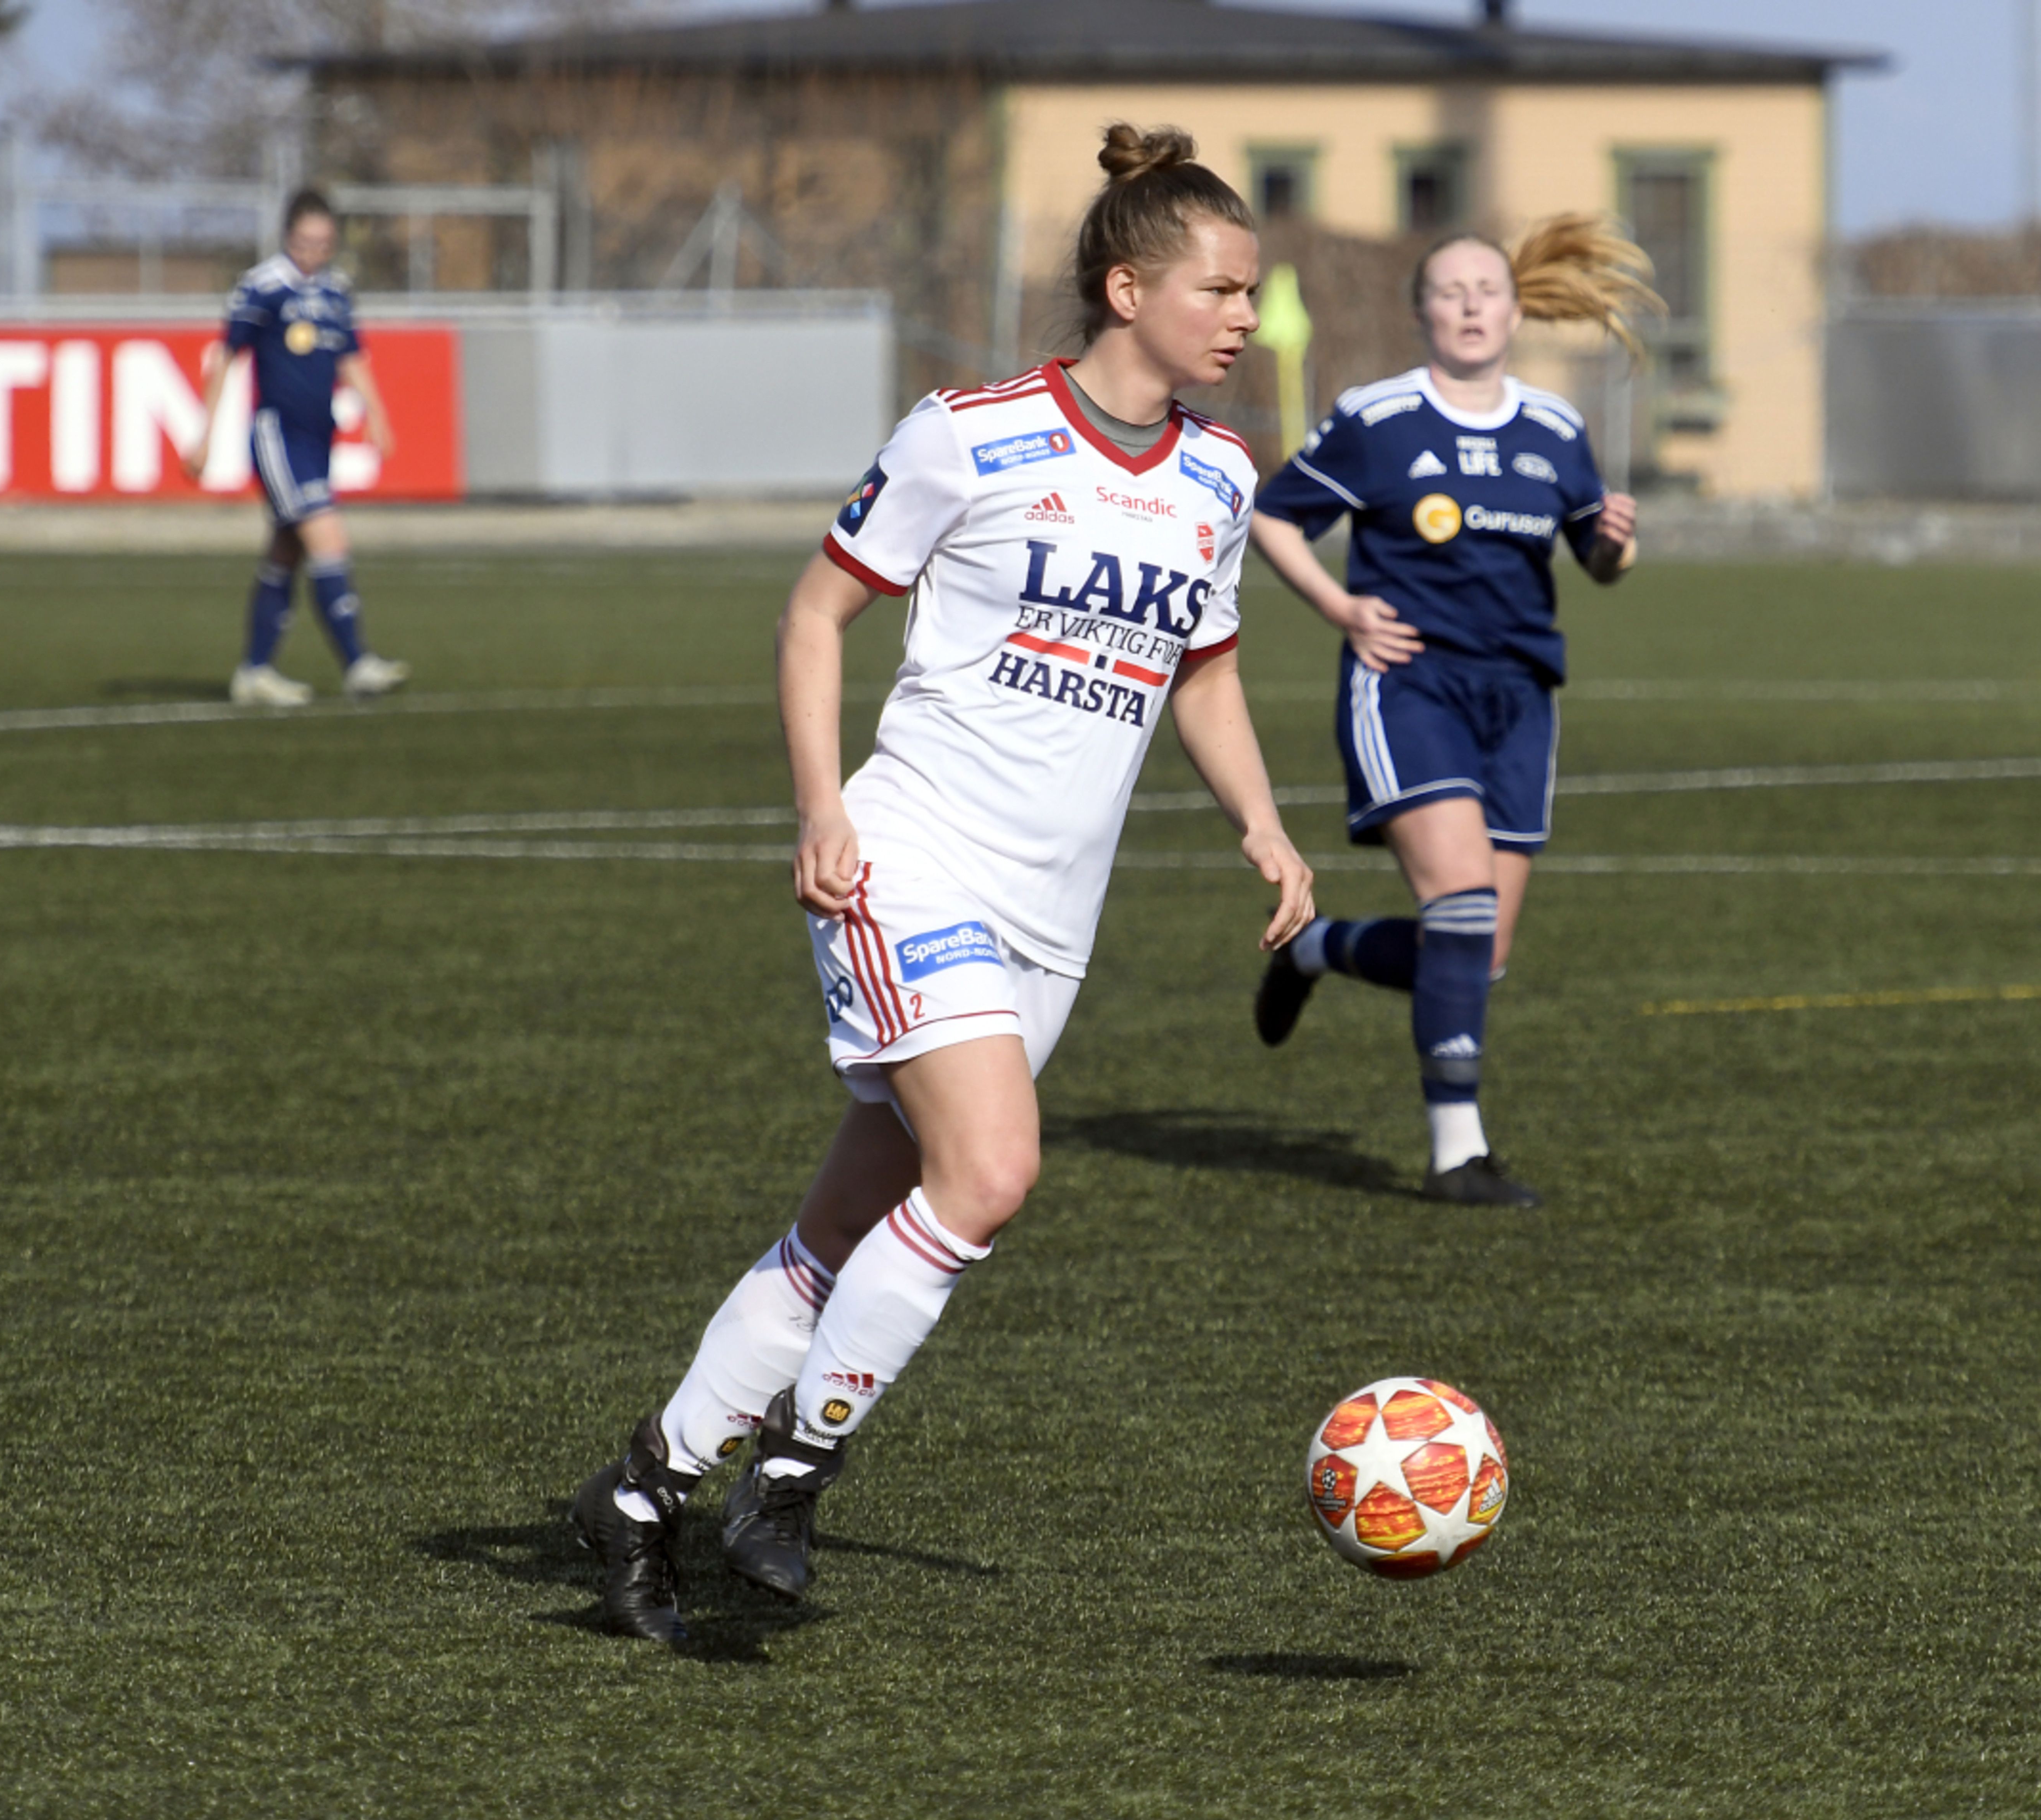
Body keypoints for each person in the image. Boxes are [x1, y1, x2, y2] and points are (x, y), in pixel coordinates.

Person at [568, 123, 1315, 1646]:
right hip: (911, 861)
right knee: (989, 1173)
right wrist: (819, 812)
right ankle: (794, 1469)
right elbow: (812, 616)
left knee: (847, 1227)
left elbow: (1206, 675)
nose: (1245, 317)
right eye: (1222, 289)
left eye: (1252, 291)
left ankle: (642, 1491)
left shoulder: (1218, 477)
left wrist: (1264, 824)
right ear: (1128, 289)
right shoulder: (969, 435)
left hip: (1052, 922)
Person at [1247, 218, 1654, 1208]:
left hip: (1520, 698)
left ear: (1516, 312)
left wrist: (1615, 542)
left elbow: (1599, 561)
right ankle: (1456, 1155)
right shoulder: (1379, 416)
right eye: (1450, 290)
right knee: (1463, 906)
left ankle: (1317, 948)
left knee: (1484, 953)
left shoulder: (1553, 427)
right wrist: (1342, 609)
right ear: (1421, 311)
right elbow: (1274, 515)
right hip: (1410, 684)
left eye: (1488, 289)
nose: (1471, 304)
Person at [182, 187, 410, 707]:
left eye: (323, 244)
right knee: (327, 535)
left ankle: (255, 673)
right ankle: (358, 664)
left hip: (317, 436)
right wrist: (205, 434)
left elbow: (352, 357)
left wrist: (377, 415)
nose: (314, 253)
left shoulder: (336, 291)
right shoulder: (263, 286)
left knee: (287, 551)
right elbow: (226, 356)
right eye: (305, 242)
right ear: (288, 237)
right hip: (278, 435)